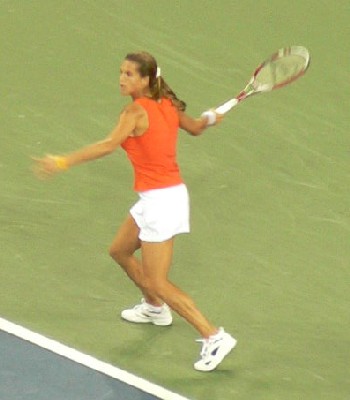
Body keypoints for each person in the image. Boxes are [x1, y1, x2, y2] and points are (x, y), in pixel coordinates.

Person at [33, 51, 237, 372]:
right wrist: (210, 118)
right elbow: (196, 128)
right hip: (157, 197)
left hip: (162, 202)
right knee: (120, 250)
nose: (121, 78)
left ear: (145, 79)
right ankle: (155, 309)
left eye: (129, 74)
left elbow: (106, 146)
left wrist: (62, 161)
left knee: (158, 281)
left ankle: (213, 336)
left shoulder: (134, 111)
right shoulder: (167, 104)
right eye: (121, 72)